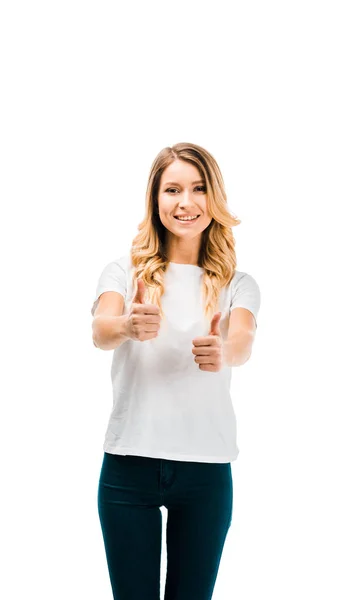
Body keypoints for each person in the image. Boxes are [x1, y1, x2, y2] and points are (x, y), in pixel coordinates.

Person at [91, 142, 261, 600]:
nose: (185, 203)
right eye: (172, 190)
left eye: (199, 188)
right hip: (129, 464)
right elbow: (101, 329)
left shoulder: (236, 283)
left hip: (205, 468)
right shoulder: (124, 273)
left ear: (214, 198)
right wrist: (127, 324)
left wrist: (224, 350)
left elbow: (243, 339)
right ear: (156, 199)